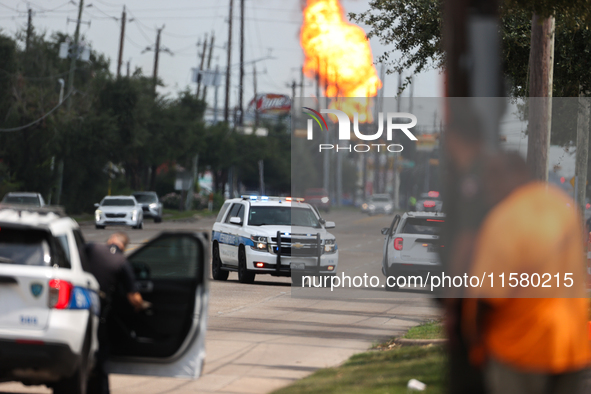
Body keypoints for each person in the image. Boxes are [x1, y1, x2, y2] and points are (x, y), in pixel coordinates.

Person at [464, 152, 591, 394]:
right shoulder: (563, 210)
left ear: (518, 175)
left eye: (494, 177)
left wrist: (474, 342)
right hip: (570, 347)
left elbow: (487, 297)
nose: (489, 186)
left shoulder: (505, 219)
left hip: (521, 351)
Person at [86, 232, 144, 394]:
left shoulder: (91, 248)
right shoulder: (122, 262)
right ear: (123, 247)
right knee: (101, 358)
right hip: (99, 316)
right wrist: (141, 306)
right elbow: (134, 298)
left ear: (110, 240)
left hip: (75, 310)